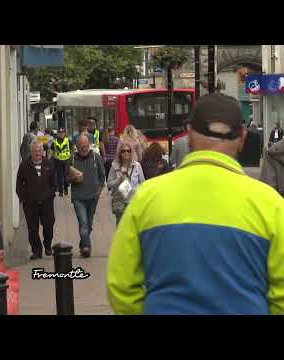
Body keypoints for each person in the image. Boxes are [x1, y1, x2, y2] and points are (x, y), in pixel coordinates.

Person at [107, 93, 284, 315]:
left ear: (189, 134)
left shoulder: (146, 198)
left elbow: (120, 285)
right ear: (243, 137)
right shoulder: (271, 205)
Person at [16, 140, 57, 259]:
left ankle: (47, 245)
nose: (37, 153)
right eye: (35, 151)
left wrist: (51, 194)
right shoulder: (24, 165)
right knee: (32, 228)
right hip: (30, 203)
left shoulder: (49, 163)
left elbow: (54, 183)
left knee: (49, 225)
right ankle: (36, 251)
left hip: (46, 202)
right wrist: (24, 198)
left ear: (42, 151)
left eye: (39, 150)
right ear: (31, 152)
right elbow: (19, 184)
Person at [68, 135, 105, 258]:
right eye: (81, 146)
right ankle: (86, 247)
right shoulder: (72, 159)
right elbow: (65, 178)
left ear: (89, 145)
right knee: (83, 222)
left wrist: (99, 191)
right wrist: (73, 178)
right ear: (77, 147)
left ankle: (83, 243)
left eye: (86, 146)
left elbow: (102, 176)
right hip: (78, 197)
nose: (84, 148)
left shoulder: (96, 157)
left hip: (93, 197)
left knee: (88, 223)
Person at [107, 143, 145, 225]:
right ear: (119, 153)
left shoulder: (137, 166)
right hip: (120, 200)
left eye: (128, 151)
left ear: (131, 153)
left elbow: (142, 183)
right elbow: (109, 184)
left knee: (133, 224)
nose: (126, 153)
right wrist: (118, 180)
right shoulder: (115, 166)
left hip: (133, 200)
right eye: (123, 151)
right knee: (121, 225)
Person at [50, 128, 71, 196]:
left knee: (66, 176)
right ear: (58, 134)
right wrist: (53, 158)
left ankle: (66, 189)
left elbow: (72, 149)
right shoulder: (54, 141)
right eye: (59, 133)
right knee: (59, 177)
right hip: (58, 161)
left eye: (62, 132)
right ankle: (61, 191)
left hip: (66, 161)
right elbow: (51, 151)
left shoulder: (68, 140)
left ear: (64, 133)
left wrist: (70, 157)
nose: (61, 134)